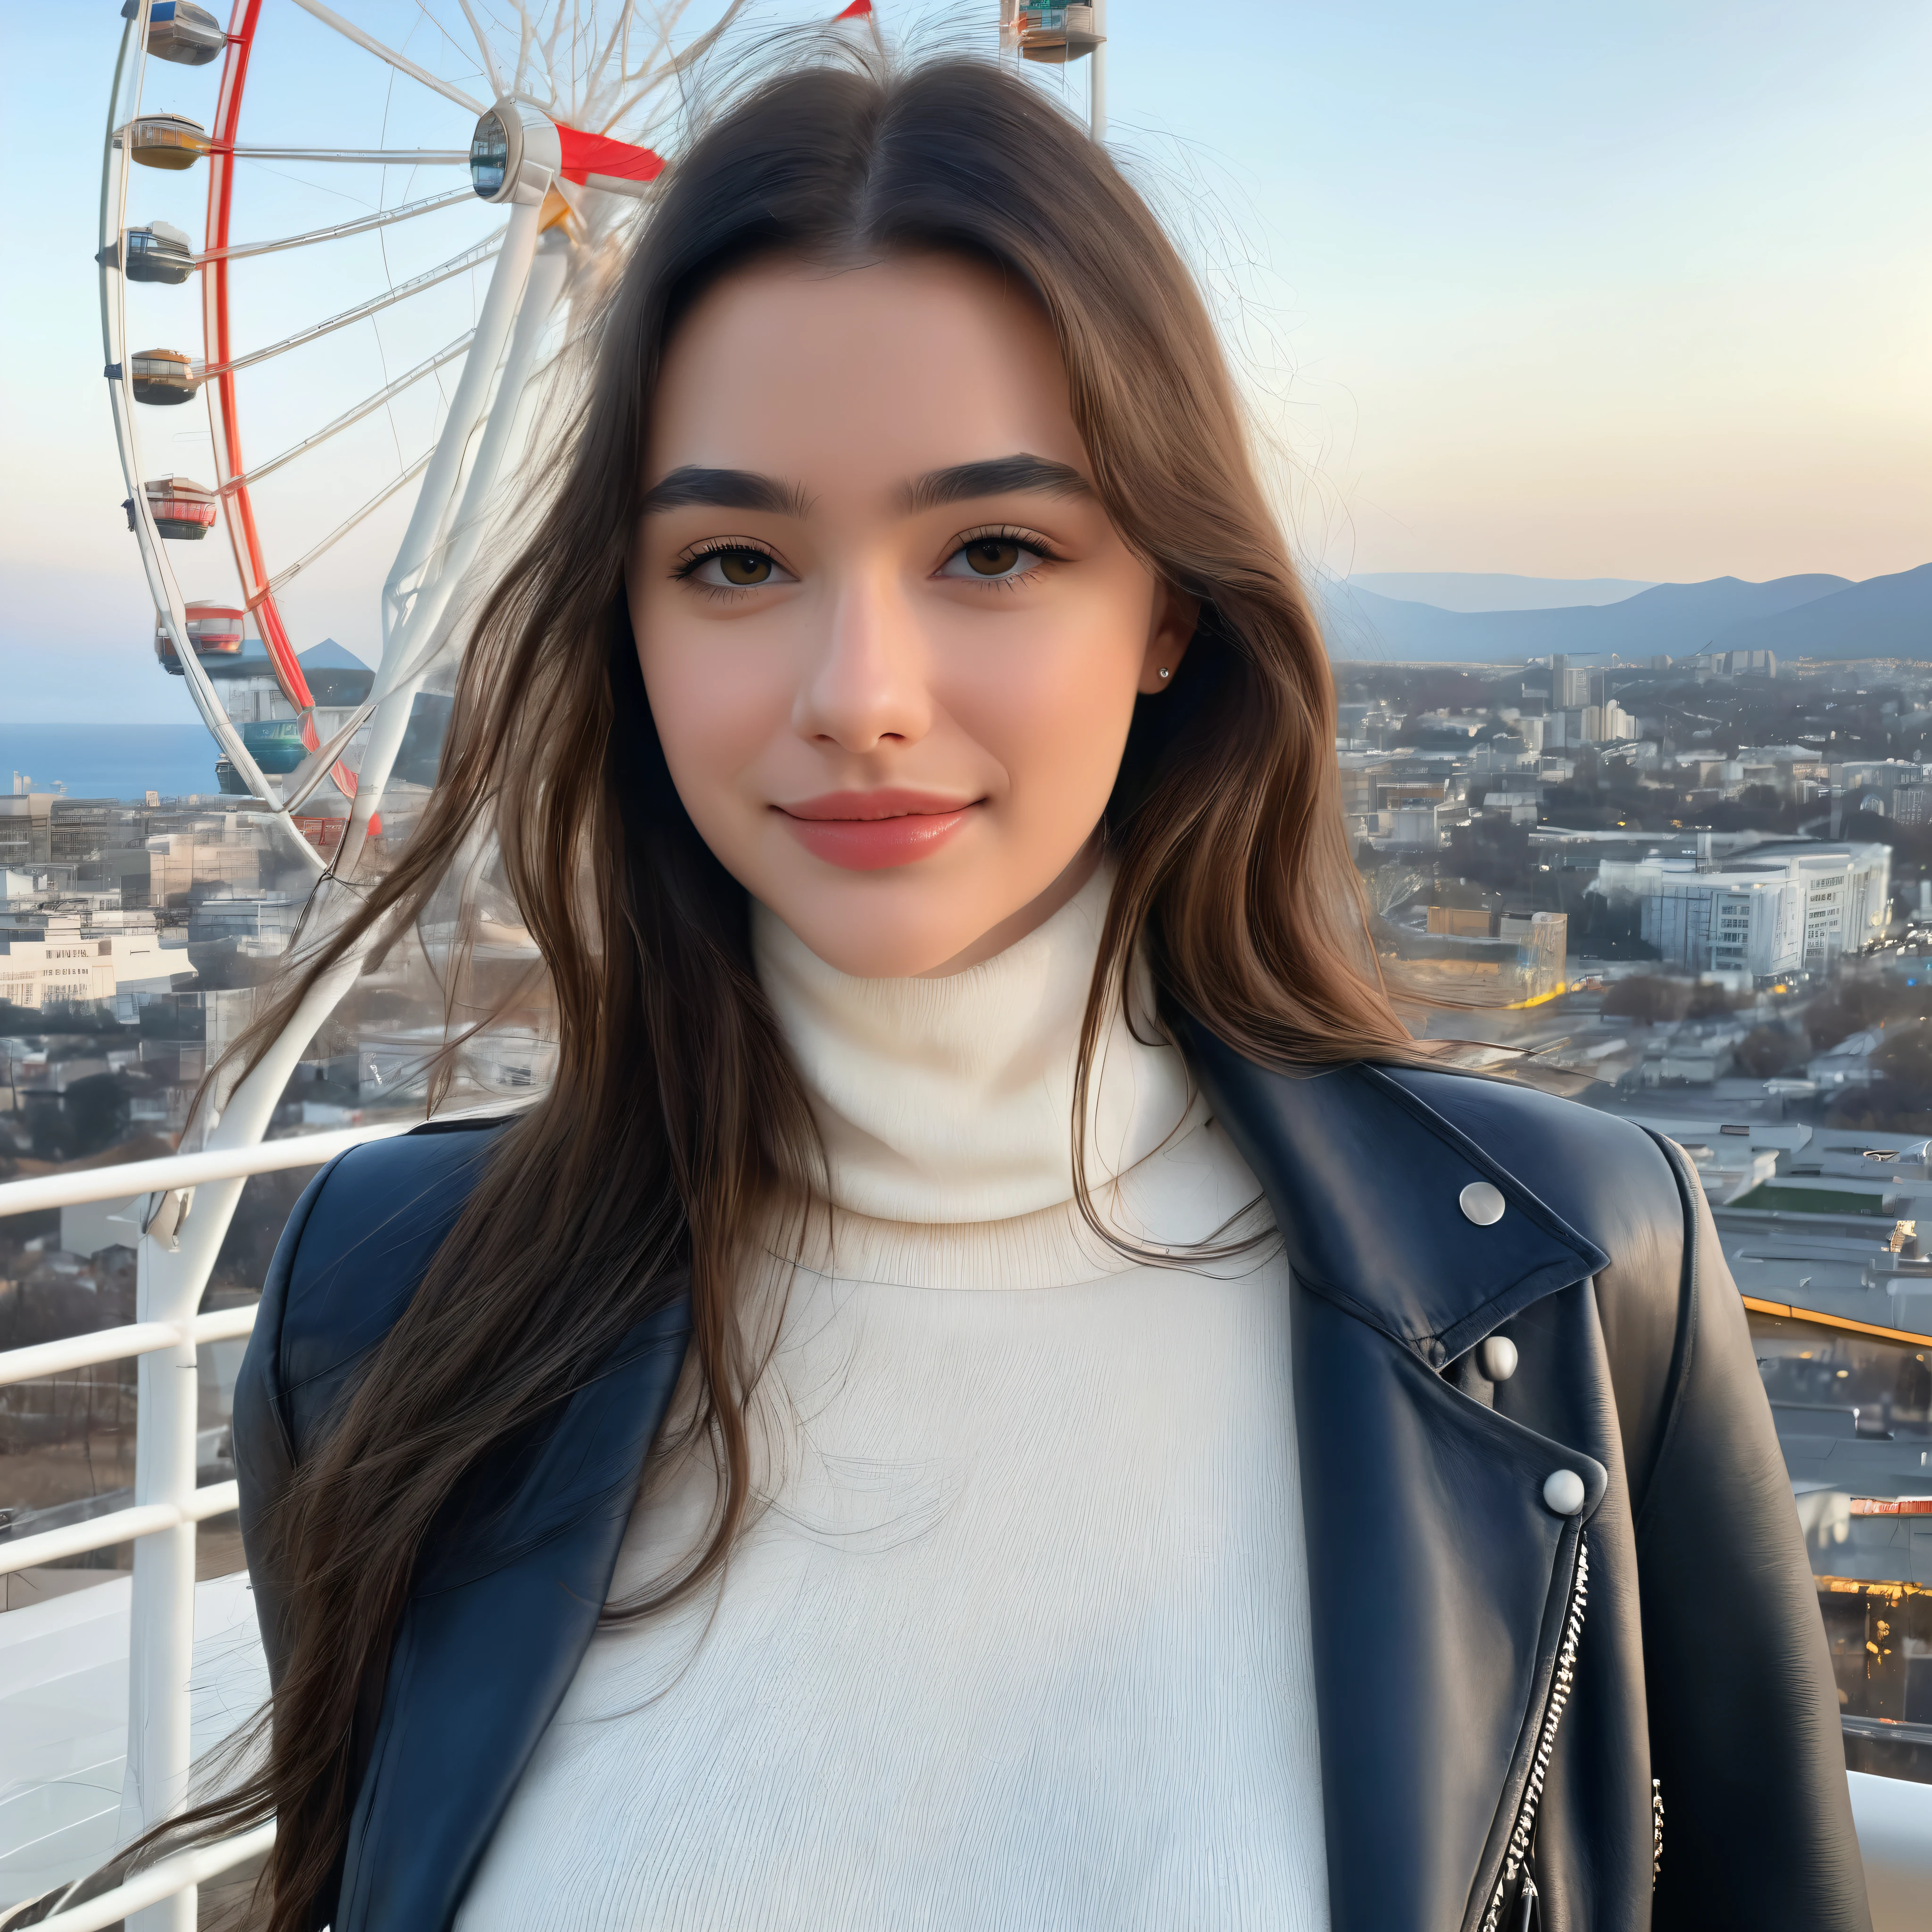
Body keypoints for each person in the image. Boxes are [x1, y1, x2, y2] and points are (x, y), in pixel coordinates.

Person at [93, 51, 1875, 1932]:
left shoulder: (1572, 1282)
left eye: (994, 550)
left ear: (1168, 608)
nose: (858, 686)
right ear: (627, 617)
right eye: (736, 560)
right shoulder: (384, 1308)